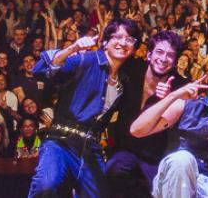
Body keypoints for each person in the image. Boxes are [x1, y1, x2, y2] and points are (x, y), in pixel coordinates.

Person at [26, 19, 141, 198]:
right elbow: (39, 70)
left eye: (129, 39)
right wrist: (72, 49)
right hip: (60, 142)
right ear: (105, 42)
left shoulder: (124, 81)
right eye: (117, 37)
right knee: (45, 187)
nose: (123, 43)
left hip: (90, 149)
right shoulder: (86, 60)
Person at [130, 59, 208, 198]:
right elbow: (137, 130)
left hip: (205, 184)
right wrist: (174, 95)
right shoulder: (188, 105)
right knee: (184, 159)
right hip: (172, 177)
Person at [106, 30, 186, 196]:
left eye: (170, 55)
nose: (164, 59)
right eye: (159, 52)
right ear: (149, 55)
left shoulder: (179, 86)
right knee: (115, 169)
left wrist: (168, 99)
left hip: (155, 160)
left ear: (175, 61)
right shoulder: (132, 70)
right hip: (123, 152)